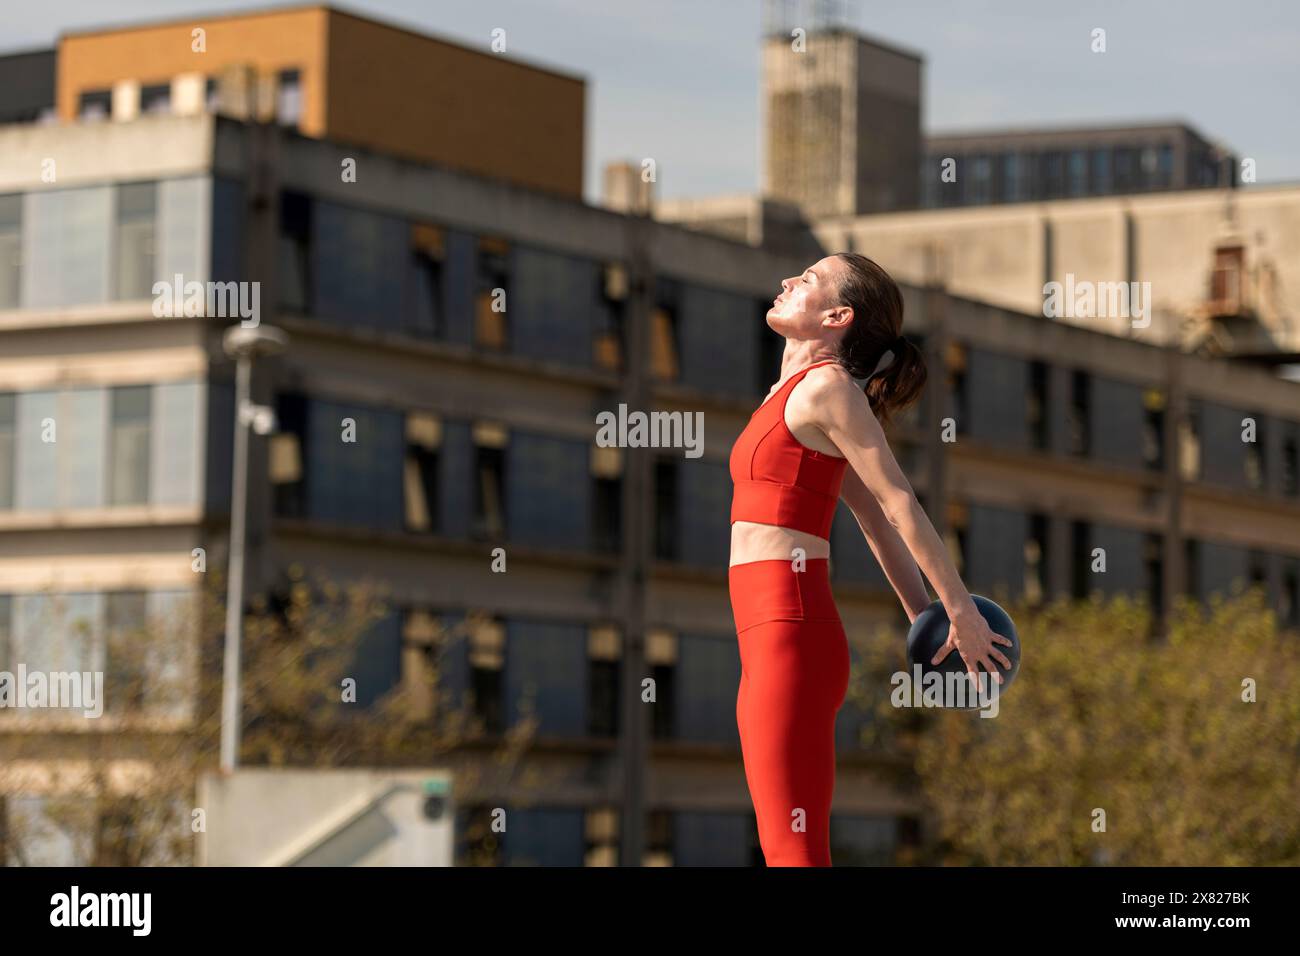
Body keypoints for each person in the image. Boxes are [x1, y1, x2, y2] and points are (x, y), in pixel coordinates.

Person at [728, 252, 1014, 866]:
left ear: (837, 316)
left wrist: (959, 613)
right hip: (766, 641)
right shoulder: (788, 394)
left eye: (806, 279)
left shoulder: (830, 390)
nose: (786, 280)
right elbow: (867, 519)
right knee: (787, 851)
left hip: (792, 635)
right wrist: (925, 622)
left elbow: (897, 505)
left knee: (794, 854)